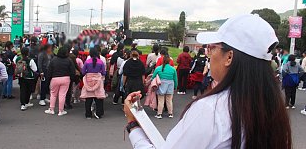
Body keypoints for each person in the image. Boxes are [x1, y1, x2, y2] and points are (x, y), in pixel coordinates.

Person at [124, 14, 292, 149]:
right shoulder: (270, 106)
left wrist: (133, 125)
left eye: (212, 47)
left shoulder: (211, 110)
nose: (209, 54)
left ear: (229, 57)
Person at [45, 47, 75, 116]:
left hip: (55, 78)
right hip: (66, 79)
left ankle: (51, 109)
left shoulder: (53, 60)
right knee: (62, 95)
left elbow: (49, 71)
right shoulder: (69, 60)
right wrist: (71, 79)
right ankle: (61, 111)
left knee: (53, 94)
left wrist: (48, 80)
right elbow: (72, 71)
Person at [81, 48, 106, 119]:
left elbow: (83, 72)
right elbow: (104, 72)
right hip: (98, 80)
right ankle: (99, 113)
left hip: (88, 80)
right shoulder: (100, 62)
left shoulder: (87, 62)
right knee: (99, 98)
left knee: (88, 99)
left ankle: (88, 114)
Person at [152, 55, 178, 119]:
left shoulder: (158, 68)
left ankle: (159, 114)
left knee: (161, 100)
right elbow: (175, 79)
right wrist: (175, 86)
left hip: (161, 85)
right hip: (170, 85)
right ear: (169, 61)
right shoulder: (173, 69)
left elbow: (153, 77)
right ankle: (170, 113)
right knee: (169, 100)